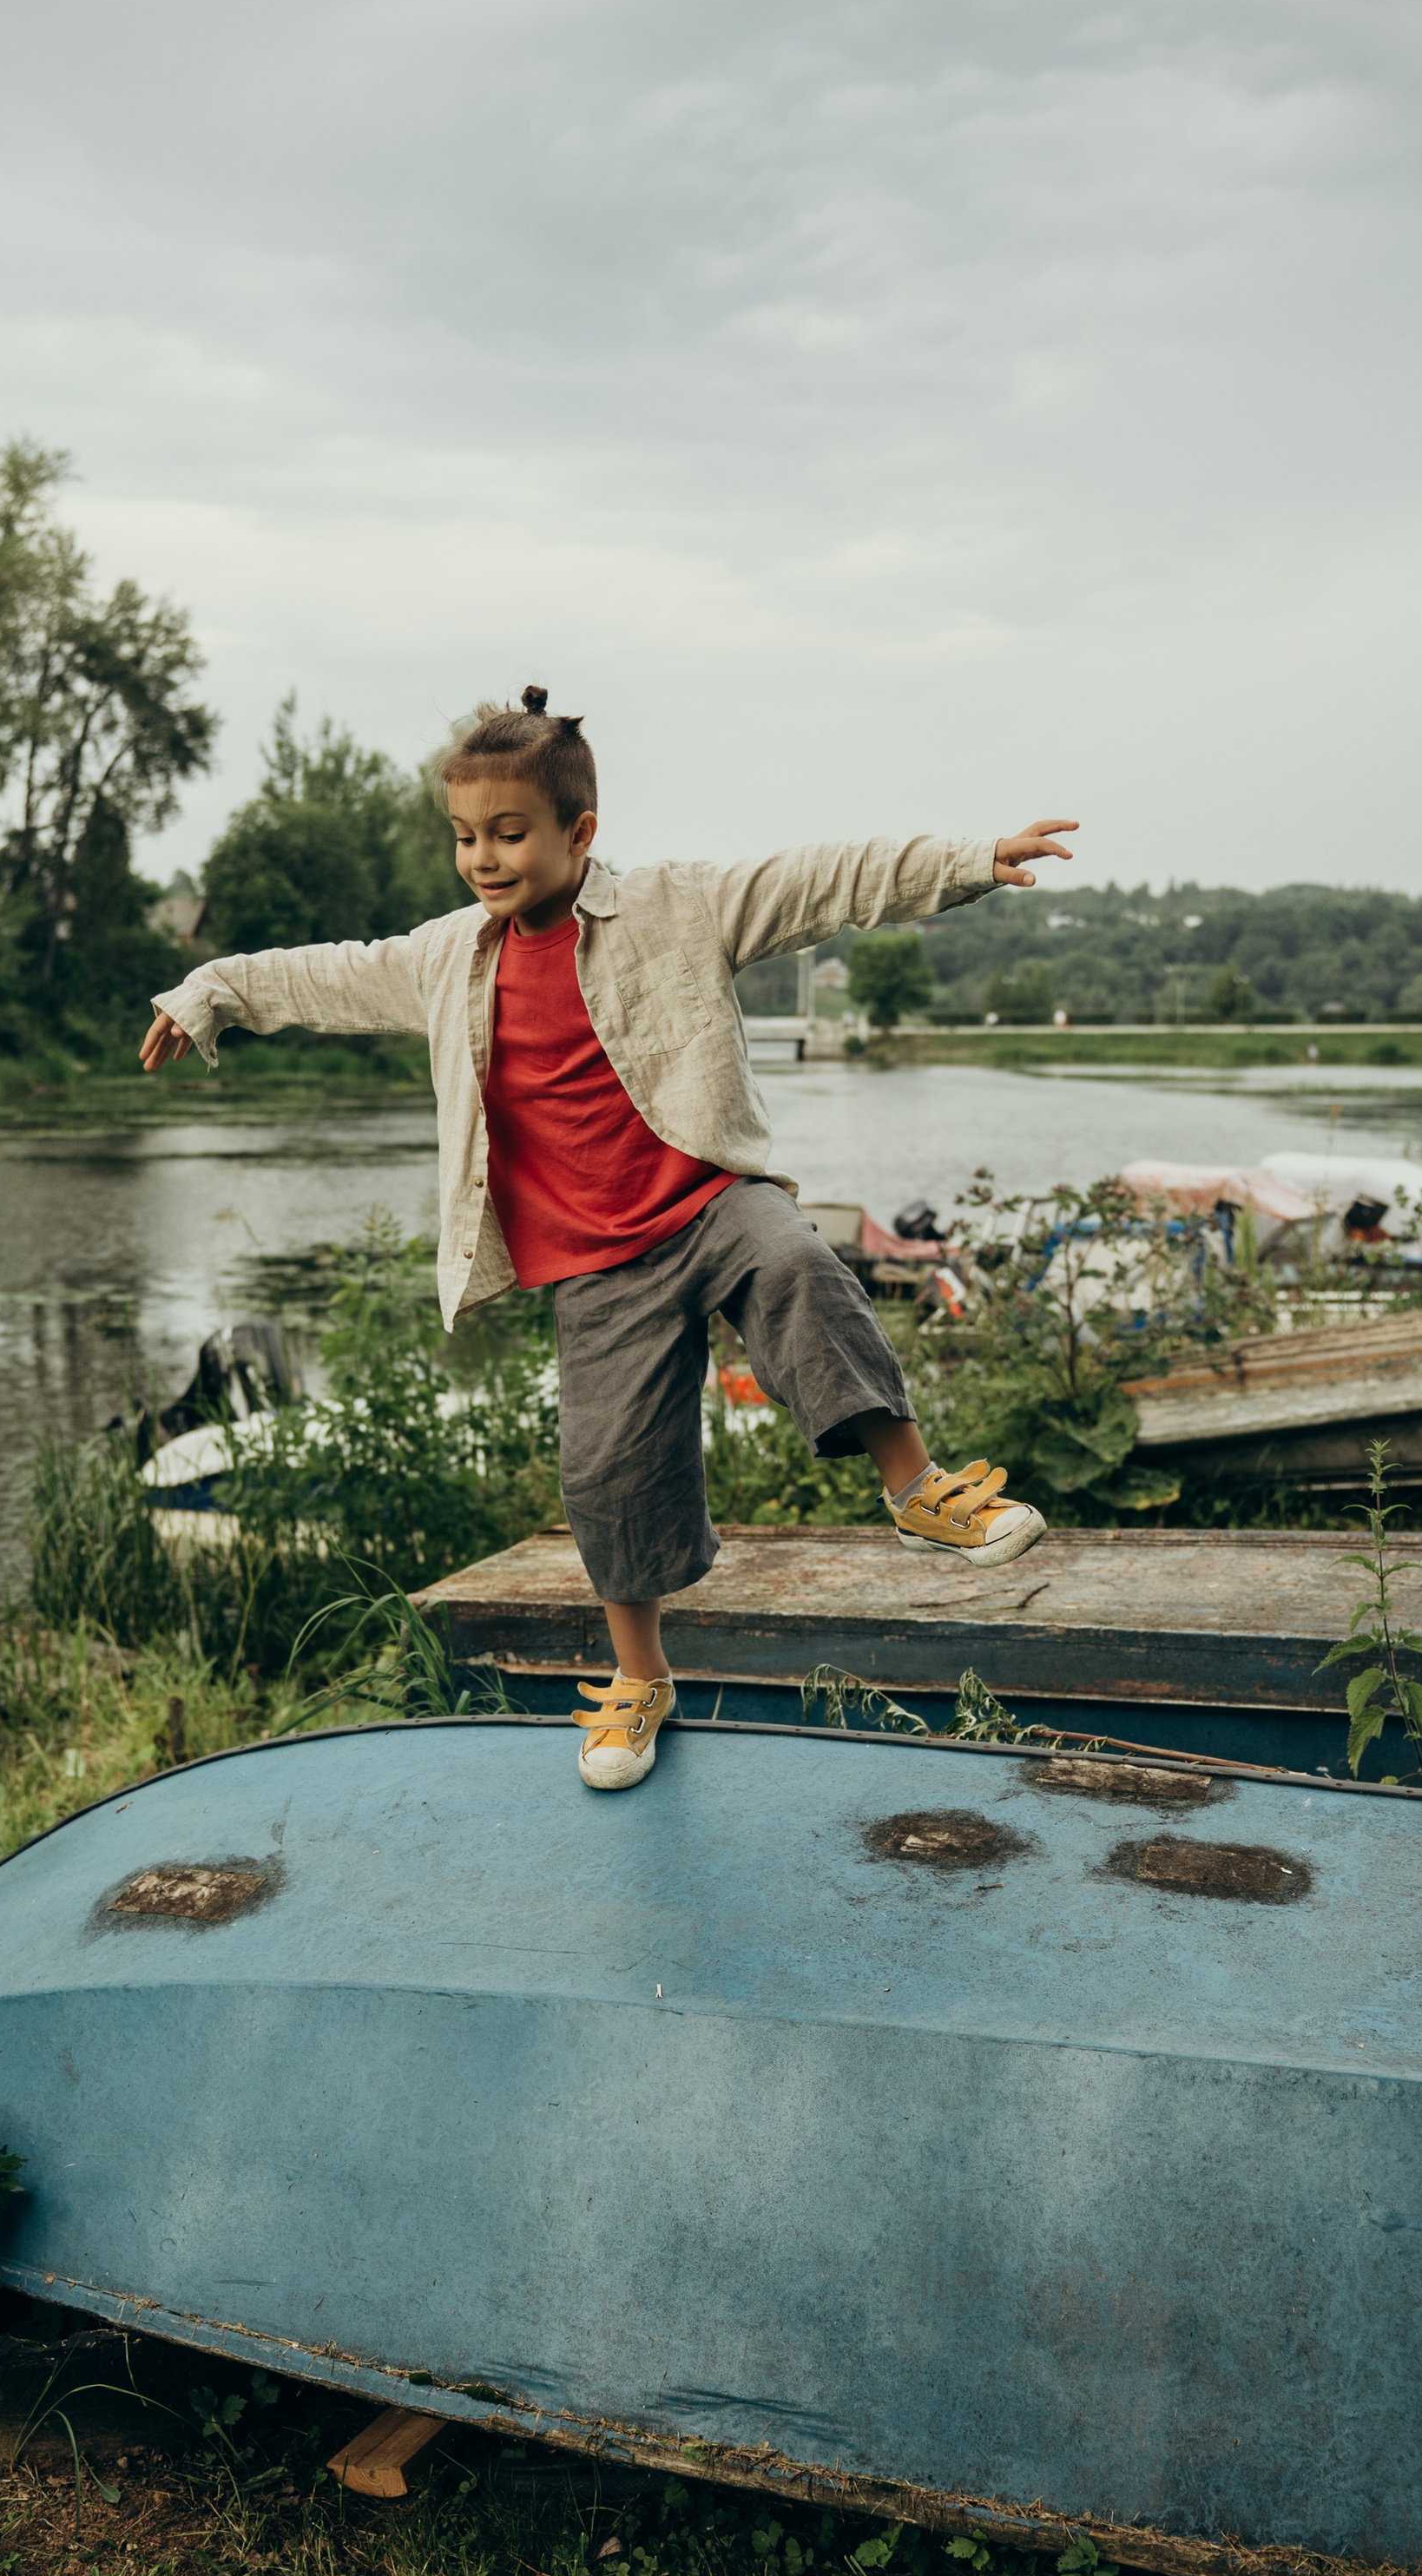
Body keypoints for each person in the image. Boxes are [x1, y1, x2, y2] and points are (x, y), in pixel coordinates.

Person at [142, 689, 1076, 1791]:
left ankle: (915, 1488)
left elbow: (824, 881)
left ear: (579, 832)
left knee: (797, 1265)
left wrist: (970, 857)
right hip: (592, 1262)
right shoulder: (447, 960)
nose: (482, 859)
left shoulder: (680, 907)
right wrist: (207, 991)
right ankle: (642, 1680)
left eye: (508, 834)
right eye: (464, 838)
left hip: (706, 1202)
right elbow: (318, 972)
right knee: (606, 1473)